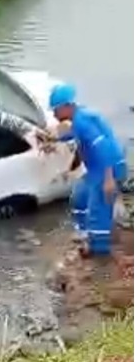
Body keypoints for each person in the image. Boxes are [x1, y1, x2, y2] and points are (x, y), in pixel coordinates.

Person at [48, 84, 128, 256]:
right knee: (80, 196)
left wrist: (108, 179)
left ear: (67, 106)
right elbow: (74, 136)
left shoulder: (83, 123)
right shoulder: (78, 120)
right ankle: (84, 234)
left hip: (107, 168)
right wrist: (53, 139)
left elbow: (104, 147)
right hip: (95, 170)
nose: (54, 115)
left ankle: (100, 256)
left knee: (98, 212)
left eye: (56, 110)